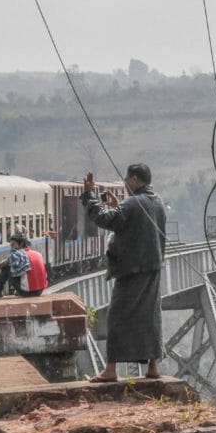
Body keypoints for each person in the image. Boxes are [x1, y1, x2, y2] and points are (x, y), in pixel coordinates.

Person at [80, 163, 166, 381]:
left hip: (131, 270)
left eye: (127, 180)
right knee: (150, 317)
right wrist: (120, 206)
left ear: (135, 179)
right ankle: (153, 367)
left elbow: (105, 220)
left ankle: (110, 370)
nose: (126, 184)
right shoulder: (157, 202)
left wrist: (89, 196)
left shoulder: (133, 203)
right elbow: (132, 225)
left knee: (116, 317)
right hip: (153, 268)